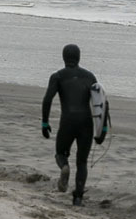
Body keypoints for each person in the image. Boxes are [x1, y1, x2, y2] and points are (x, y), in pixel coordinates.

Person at [41, 44, 98, 206]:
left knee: (60, 153)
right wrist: (103, 129)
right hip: (86, 123)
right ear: (79, 57)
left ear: (63, 57)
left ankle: (64, 167)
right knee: (82, 161)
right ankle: (78, 197)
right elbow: (100, 102)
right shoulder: (90, 76)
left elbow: (47, 99)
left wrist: (45, 122)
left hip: (68, 121)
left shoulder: (58, 76)